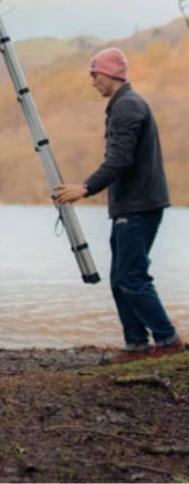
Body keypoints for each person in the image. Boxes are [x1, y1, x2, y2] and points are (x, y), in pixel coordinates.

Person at [53, 47, 183, 364]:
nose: (92, 81)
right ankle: (136, 345)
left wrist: (85, 188)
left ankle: (168, 340)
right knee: (121, 278)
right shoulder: (122, 105)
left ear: (111, 74)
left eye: (94, 74)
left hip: (139, 206)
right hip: (131, 206)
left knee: (131, 277)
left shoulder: (128, 107)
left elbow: (119, 160)